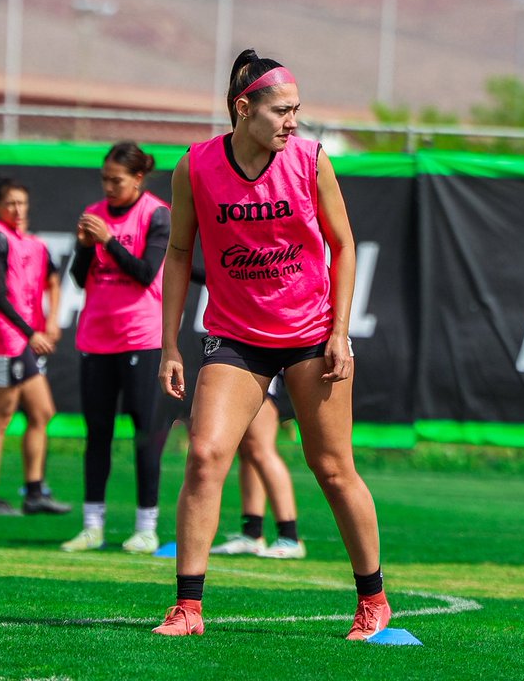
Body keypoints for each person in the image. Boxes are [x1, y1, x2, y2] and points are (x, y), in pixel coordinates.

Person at [155, 49, 389, 639]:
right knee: (205, 456)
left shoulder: (311, 161)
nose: (293, 122)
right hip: (235, 336)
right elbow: (179, 253)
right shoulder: (196, 167)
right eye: (282, 111)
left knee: (332, 469)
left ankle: (374, 600)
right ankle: (187, 607)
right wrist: (170, 346)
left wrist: (340, 332)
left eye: (297, 111)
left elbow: (344, 245)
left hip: (311, 335)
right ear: (244, 108)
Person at [60, 142, 174, 555]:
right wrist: (87, 246)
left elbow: (146, 274)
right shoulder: (95, 215)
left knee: (146, 435)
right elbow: (77, 278)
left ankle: (147, 527)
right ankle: (92, 525)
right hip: (95, 339)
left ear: (138, 178)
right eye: (104, 179)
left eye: (117, 180)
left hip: (140, 339)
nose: (108, 187)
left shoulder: (156, 214)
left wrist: (108, 241)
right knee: (98, 435)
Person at [0, 177, 70, 516]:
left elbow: (53, 279)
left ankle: (35, 492)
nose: (18, 209)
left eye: (22, 203)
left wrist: (51, 319)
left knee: (42, 412)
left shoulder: (25, 242)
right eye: (10, 203)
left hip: (19, 341)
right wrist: (31, 332)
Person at [210, 373, 305, 559]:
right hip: (241, 363)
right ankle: (252, 534)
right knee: (248, 450)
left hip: (259, 366)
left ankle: (290, 537)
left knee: (261, 449)